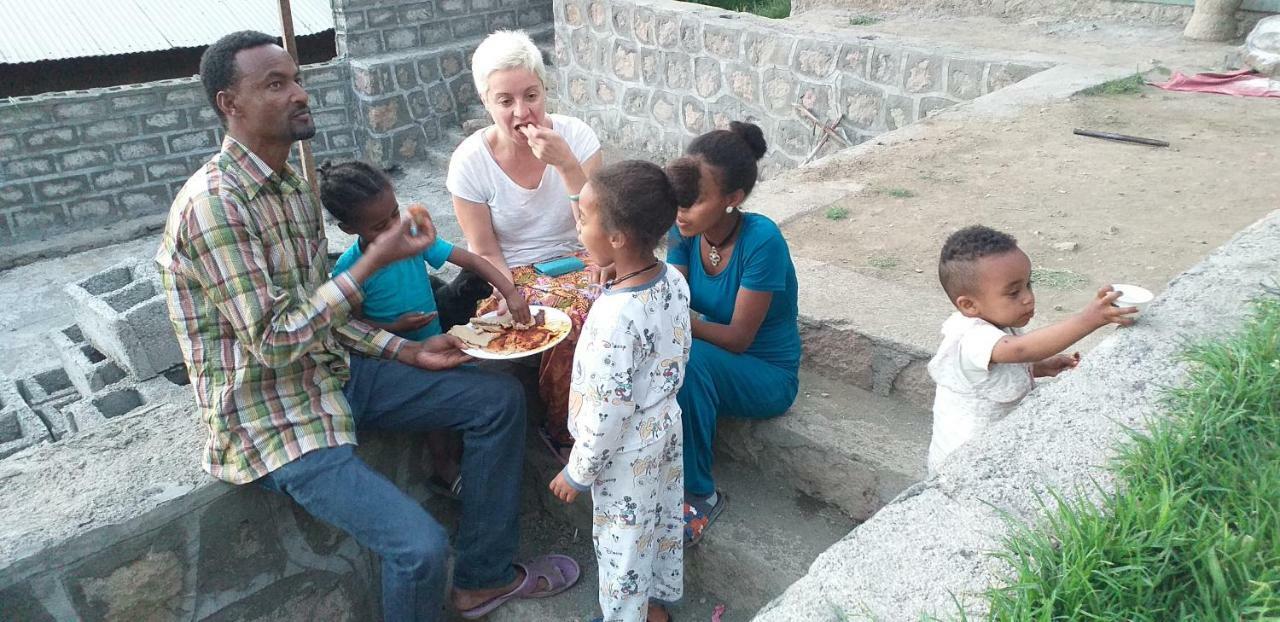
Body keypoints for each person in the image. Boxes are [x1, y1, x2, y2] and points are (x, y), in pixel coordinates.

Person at [155, 31, 578, 621]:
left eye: (296, 79)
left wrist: (405, 353)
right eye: (275, 84)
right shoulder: (215, 206)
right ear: (230, 104)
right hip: (274, 414)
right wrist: (375, 260)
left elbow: (318, 314)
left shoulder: (289, 189)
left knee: (498, 398)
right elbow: (276, 339)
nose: (299, 94)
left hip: (337, 375)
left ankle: (482, 578)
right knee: (420, 549)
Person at [320, 159, 532, 500]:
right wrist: (394, 327)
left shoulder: (413, 239)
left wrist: (510, 292)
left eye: (395, 215)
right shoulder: (350, 270)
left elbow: (474, 261)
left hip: (437, 338)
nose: (393, 229)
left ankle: (467, 462)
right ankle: (445, 469)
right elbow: (354, 327)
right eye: (379, 225)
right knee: (435, 415)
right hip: (398, 357)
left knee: (472, 388)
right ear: (348, 229)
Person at [448, 29, 604, 463]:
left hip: (586, 254)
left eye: (531, 95)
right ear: (486, 102)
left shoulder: (577, 137)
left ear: (544, 89)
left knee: (629, 298)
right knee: (569, 317)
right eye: (506, 101)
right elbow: (484, 249)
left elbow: (599, 226)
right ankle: (565, 428)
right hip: (513, 273)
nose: (522, 111)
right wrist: (505, 288)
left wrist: (568, 166)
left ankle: (620, 414)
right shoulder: (470, 161)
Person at [548, 161, 693, 622]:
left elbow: (609, 408)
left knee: (621, 546)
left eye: (583, 218)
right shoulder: (670, 278)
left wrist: (578, 470)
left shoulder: (615, 320)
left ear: (617, 239)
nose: (578, 224)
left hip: (624, 452)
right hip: (665, 429)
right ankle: (652, 608)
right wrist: (612, 277)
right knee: (659, 522)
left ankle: (624, 616)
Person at [665, 122, 801, 547]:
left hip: (766, 372)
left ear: (732, 200)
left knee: (687, 357)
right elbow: (672, 295)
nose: (681, 210)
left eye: (696, 199)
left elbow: (739, 337)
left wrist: (676, 320)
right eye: (678, 198)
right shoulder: (685, 229)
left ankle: (699, 492)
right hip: (716, 356)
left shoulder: (763, 240)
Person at [927, 225, 1137, 472]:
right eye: (1014, 292)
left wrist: (1039, 367)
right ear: (970, 305)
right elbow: (1019, 351)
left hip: (998, 443)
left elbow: (1000, 367)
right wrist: (1090, 319)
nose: (1028, 297)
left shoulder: (1000, 323)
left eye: (1029, 284)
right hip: (964, 461)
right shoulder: (971, 338)